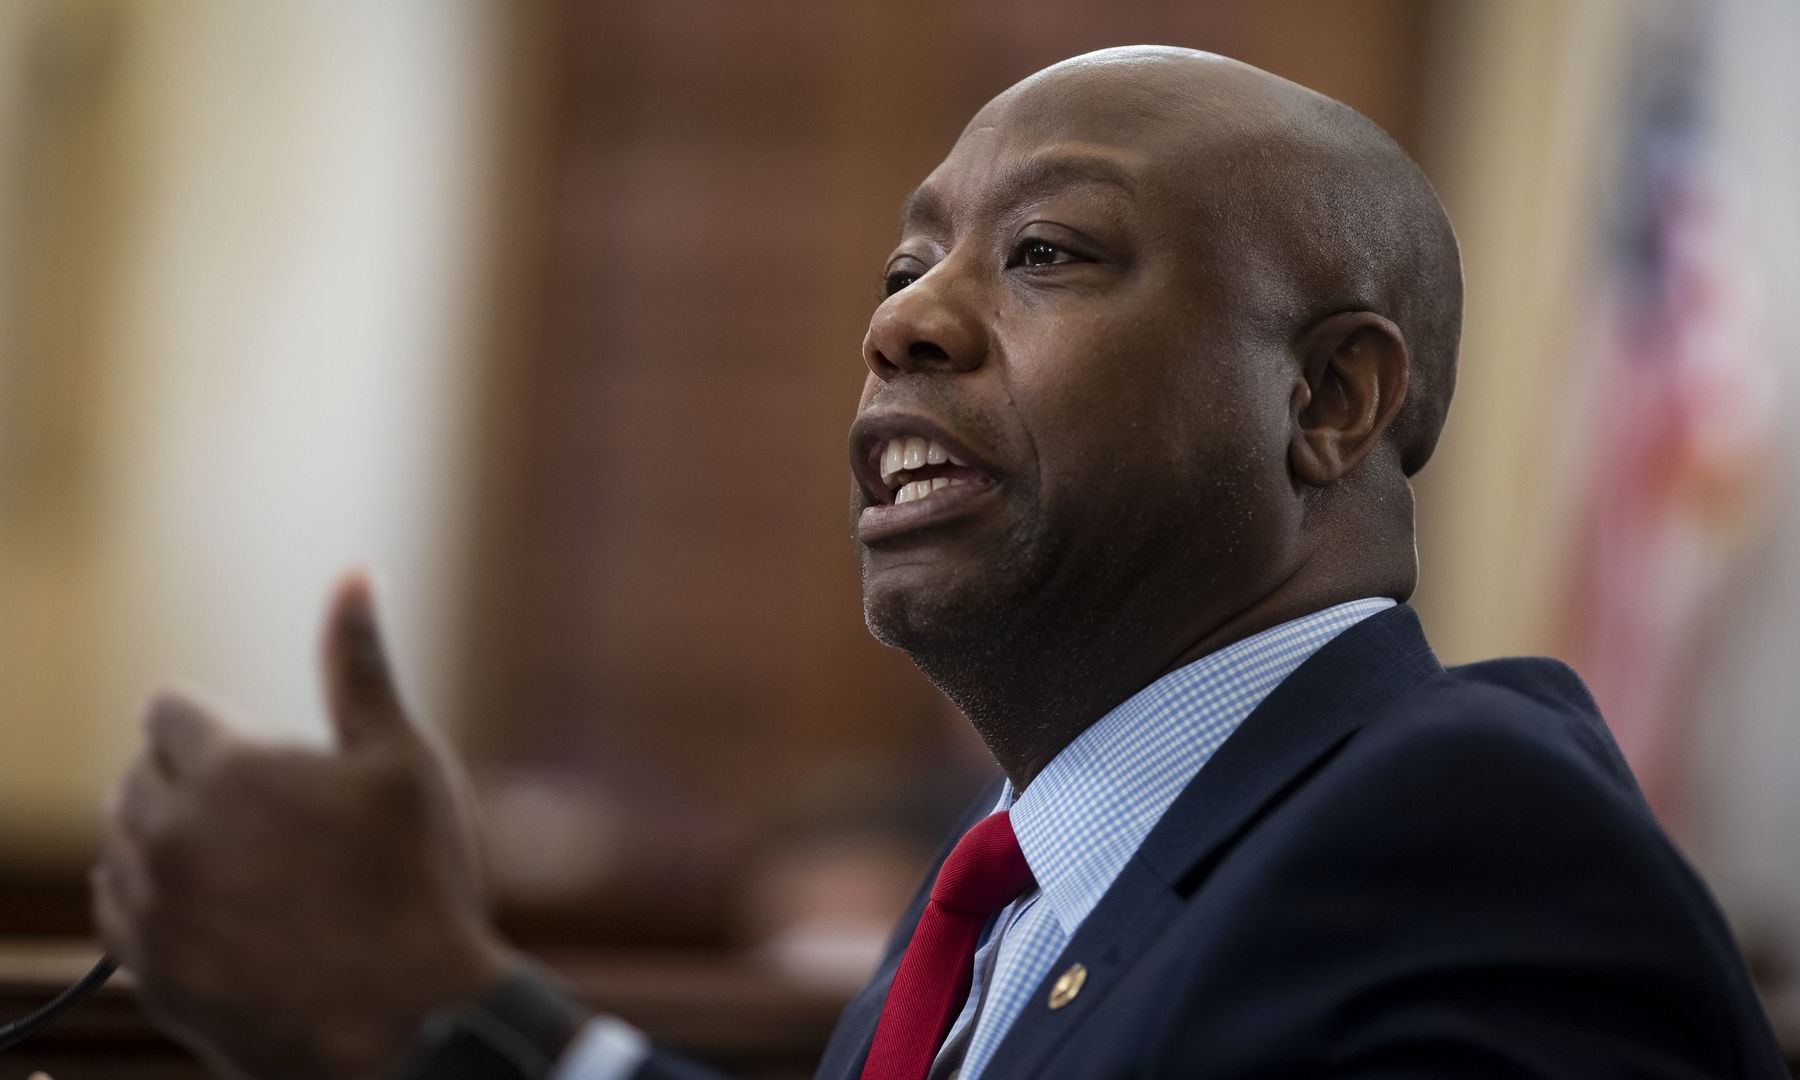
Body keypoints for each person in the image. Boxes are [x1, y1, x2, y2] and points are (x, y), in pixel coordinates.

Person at [91, 45, 1788, 1080]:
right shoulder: (994, 911)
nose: (901, 318)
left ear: (1331, 396)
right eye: (910, 263)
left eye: (1047, 252)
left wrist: (460, 1027)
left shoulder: (1465, 833)